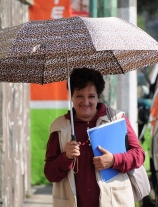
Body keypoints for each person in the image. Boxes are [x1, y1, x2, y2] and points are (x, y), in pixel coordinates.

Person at [44, 67, 145, 207]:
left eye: (91, 96)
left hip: (114, 202)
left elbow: (139, 155)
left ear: (98, 96)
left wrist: (114, 160)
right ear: (71, 96)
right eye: (79, 95)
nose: (85, 102)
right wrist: (65, 157)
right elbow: (50, 173)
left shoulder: (116, 119)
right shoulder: (59, 127)